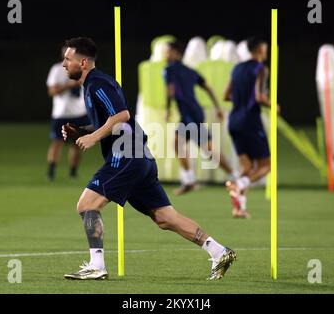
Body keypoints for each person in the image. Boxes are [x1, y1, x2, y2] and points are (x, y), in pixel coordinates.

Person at [60, 37, 236, 281]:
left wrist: (94, 138)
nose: (63, 64)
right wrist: (81, 132)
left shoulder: (98, 82)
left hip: (127, 155)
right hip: (137, 157)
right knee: (165, 218)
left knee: (87, 205)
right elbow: (107, 122)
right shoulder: (90, 85)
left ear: (83, 62)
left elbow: (122, 115)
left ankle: (97, 265)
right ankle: (219, 252)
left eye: (67, 59)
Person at [164, 41, 232, 195]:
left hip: (190, 113)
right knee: (178, 142)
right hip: (194, 112)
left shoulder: (169, 70)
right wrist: (218, 107)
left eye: (167, 51)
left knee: (207, 149)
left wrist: (168, 109)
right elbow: (208, 87)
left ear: (176, 53)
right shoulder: (190, 71)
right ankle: (189, 179)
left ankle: (234, 176)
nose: (165, 55)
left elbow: (170, 91)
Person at [223, 36, 272, 219]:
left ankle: (238, 208)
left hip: (234, 121)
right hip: (250, 120)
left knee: (247, 166)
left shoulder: (236, 68)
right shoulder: (261, 69)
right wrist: (273, 105)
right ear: (260, 49)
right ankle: (239, 185)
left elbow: (225, 95)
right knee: (266, 165)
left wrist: (241, 99)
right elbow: (259, 97)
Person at [46, 46, 90, 181]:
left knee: (77, 144)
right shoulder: (57, 69)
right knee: (57, 142)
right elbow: (51, 91)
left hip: (79, 113)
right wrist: (69, 85)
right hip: (61, 114)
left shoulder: (83, 69)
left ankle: (73, 172)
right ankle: (51, 172)